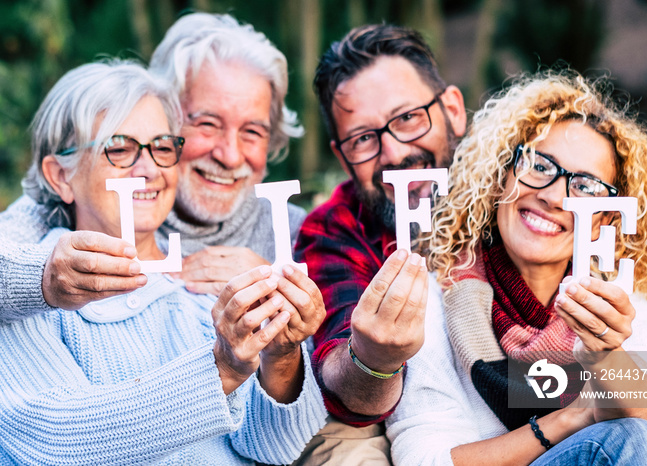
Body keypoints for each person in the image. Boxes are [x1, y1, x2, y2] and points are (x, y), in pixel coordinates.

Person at [0, 59, 326, 465]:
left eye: (161, 147)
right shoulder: (29, 293)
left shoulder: (210, 286)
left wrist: (282, 355)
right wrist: (221, 369)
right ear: (60, 176)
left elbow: (274, 448)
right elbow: (49, 442)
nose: (150, 169)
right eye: (119, 149)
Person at [385, 70, 647, 465]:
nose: (554, 196)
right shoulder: (432, 299)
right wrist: (568, 419)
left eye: (587, 187)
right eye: (539, 165)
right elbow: (423, 460)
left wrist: (603, 355)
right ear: (500, 176)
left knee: (636, 437)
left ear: (607, 219)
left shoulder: (622, 307)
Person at [0, 12, 306, 319]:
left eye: (252, 132)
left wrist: (271, 290)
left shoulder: (296, 232)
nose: (229, 156)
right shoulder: (58, 211)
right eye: (208, 123)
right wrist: (46, 280)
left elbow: (329, 349)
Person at [293, 24, 467, 464]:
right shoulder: (333, 231)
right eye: (364, 139)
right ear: (341, 155)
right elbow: (344, 383)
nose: (392, 154)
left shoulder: (529, 200)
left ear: (453, 109)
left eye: (408, 118)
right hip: (389, 430)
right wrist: (372, 359)